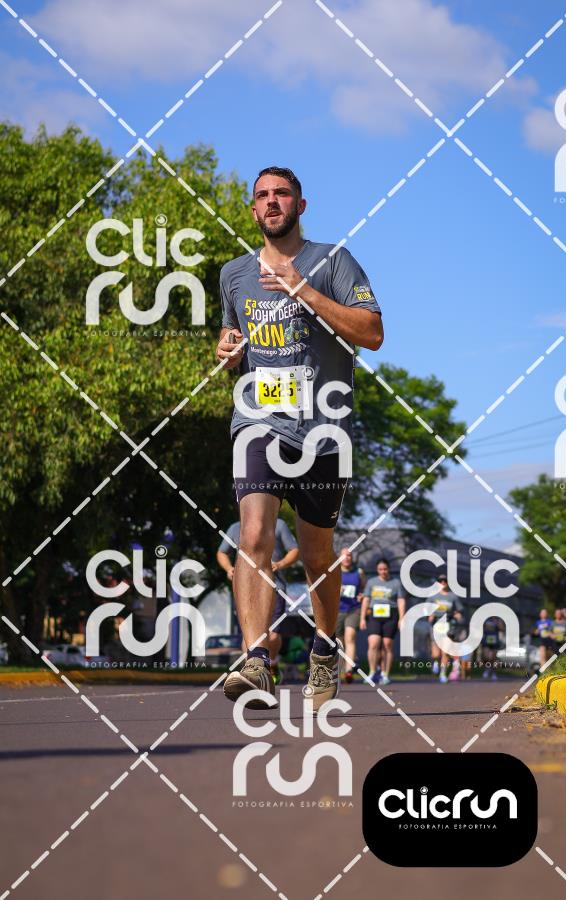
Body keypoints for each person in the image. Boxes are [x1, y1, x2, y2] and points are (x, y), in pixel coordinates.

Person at [216, 166, 383, 710]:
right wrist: (227, 350)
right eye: (262, 195)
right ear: (253, 209)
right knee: (254, 535)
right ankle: (255, 660)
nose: (272, 202)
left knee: (316, 555)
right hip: (259, 420)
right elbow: (232, 336)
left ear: (300, 205)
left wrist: (302, 290)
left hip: (324, 430)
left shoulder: (333, 261)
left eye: (282, 193)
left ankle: (325, 647)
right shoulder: (234, 274)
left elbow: (372, 332)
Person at [217, 518, 299, 679]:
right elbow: (222, 552)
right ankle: (251, 672)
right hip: (246, 588)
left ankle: (272, 662)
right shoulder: (235, 527)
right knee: (249, 634)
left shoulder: (279, 525)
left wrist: (280, 564)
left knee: (272, 635)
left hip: (275, 587)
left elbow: (294, 550)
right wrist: (228, 568)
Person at [360, 559, 405, 685]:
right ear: (377, 570)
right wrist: (362, 618)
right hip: (374, 615)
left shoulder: (396, 582)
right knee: (373, 643)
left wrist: (401, 618)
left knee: (387, 644)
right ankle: (372, 672)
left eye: (385, 569)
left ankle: (385, 674)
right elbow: (366, 600)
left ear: (388, 569)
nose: (383, 571)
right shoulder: (371, 582)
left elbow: (401, 600)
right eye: (380, 569)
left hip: (391, 615)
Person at [336, 548, 366, 684]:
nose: (347, 558)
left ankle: (349, 671)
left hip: (354, 609)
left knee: (350, 636)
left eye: (349, 555)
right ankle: (341, 669)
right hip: (337, 610)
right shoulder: (334, 572)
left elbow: (364, 589)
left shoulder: (358, 572)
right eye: (344, 555)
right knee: (339, 641)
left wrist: (362, 595)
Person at [428, 573, 464, 684]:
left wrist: (458, 615)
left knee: (445, 651)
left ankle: (443, 673)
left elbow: (459, 610)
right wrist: (430, 615)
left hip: (448, 625)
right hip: (436, 625)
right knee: (436, 654)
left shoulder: (453, 597)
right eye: (440, 581)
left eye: (445, 581)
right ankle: (435, 662)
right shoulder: (433, 596)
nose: (443, 583)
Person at [481, 616, 501, 680]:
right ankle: (487, 669)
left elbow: (502, 629)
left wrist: (498, 624)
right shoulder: (486, 619)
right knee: (486, 657)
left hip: (495, 640)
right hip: (486, 639)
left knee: (493, 658)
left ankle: (493, 672)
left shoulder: (498, 619)